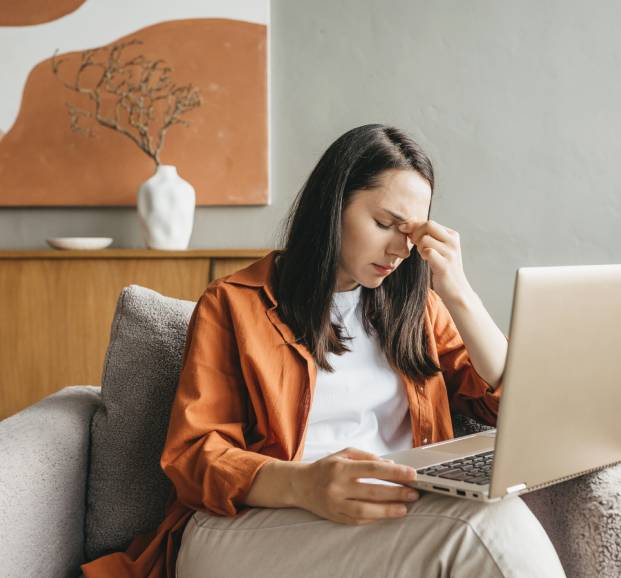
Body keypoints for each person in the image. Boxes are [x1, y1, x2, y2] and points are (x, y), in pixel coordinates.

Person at [82, 124, 565, 577]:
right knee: (484, 528)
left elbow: (510, 405)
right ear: (332, 206)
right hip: (243, 525)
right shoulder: (234, 304)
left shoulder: (417, 312)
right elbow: (195, 458)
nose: (399, 249)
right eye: (383, 222)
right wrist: (306, 484)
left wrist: (458, 291)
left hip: (391, 521)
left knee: (489, 516)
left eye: (411, 232)